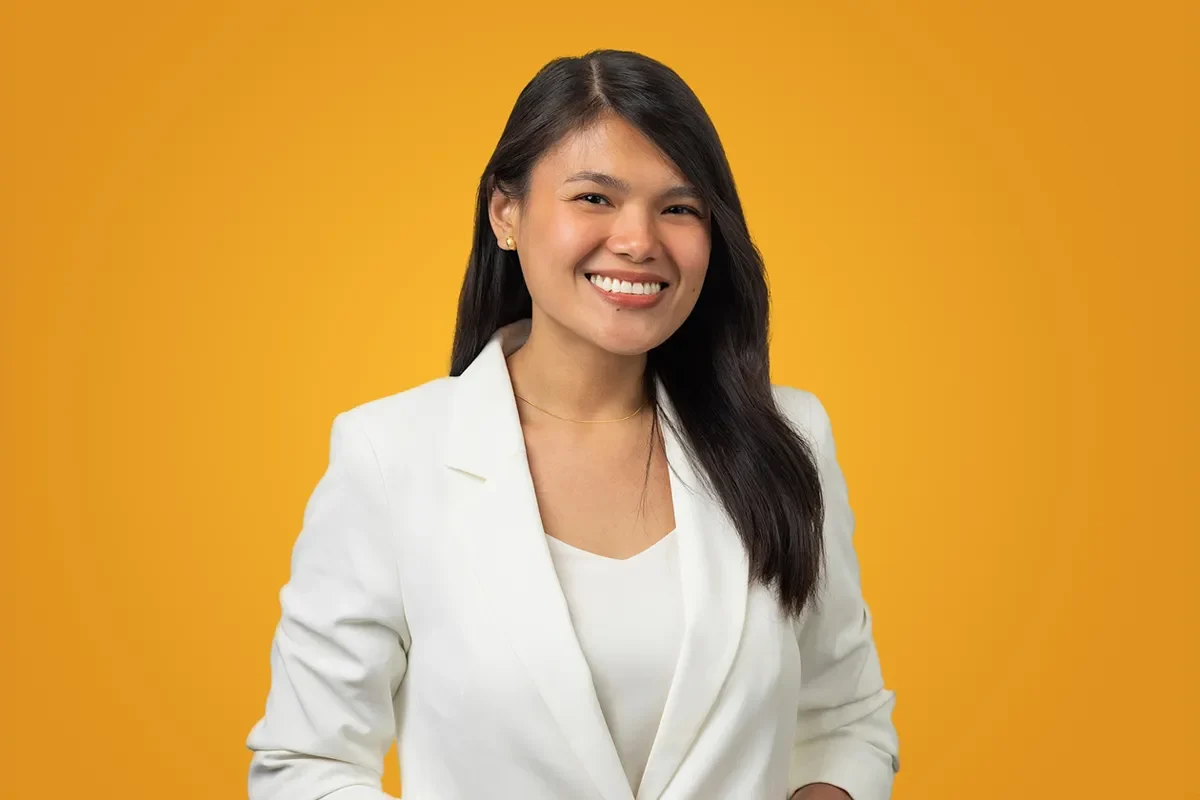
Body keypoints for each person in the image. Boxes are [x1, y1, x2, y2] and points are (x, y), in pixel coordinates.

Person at [246, 49, 899, 800]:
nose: (638, 240)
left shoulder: (789, 438)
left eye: (679, 208)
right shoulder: (390, 457)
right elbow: (308, 766)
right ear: (506, 213)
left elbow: (844, 719)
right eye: (594, 197)